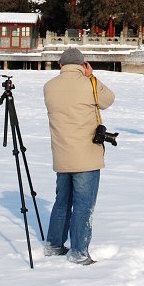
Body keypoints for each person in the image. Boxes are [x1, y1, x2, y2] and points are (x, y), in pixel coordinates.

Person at [43, 46, 115, 265]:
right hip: (86, 155)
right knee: (84, 205)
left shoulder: (49, 87)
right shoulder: (88, 84)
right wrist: (91, 76)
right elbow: (108, 100)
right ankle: (79, 252)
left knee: (62, 202)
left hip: (61, 153)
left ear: (61, 65)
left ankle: (54, 245)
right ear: (83, 65)